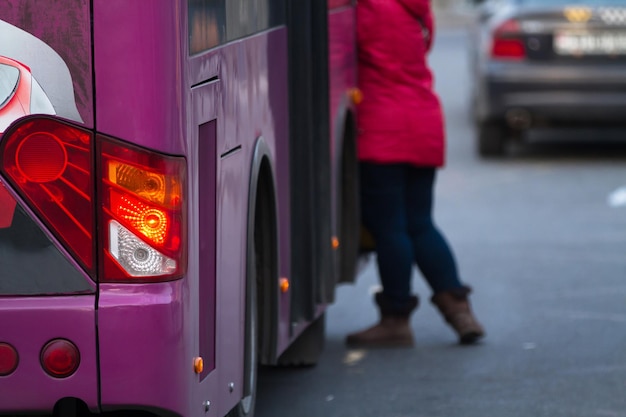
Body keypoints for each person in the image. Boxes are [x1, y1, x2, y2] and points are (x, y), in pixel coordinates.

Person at [346, 0, 485, 347]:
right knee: (420, 222)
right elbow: (423, 45)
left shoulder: (366, 8)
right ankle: (460, 310)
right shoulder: (417, 7)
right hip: (423, 120)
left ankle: (395, 318)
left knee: (390, 226)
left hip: (383, 126)